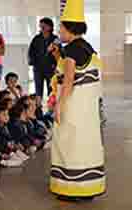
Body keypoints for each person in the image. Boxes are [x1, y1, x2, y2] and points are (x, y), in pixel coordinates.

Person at [49, 0, 106, 201]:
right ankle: (87, 187)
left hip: (74, 107)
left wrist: (59, 106)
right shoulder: (86, 47)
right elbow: (74, 71)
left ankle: (71, 188)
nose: (59, 32)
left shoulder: (72, 49)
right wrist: (58, 55)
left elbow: (69, 80)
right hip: (87, 109)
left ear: (70, 28)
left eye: (61, 28)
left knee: (69, 144)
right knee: (85, 145)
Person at [28, 17, 58, 100]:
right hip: (38, 68)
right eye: (40, 26)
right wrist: (33, 63)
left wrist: (56, 66)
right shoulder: (36, 39)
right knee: (38, 90)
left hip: (51, 68)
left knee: (51, 89)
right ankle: (38, 108)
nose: (41, 27)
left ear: (50, 27)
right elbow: (30, 52)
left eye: (44, 26)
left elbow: (60, 53)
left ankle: (51, 109)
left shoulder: (55, 39)